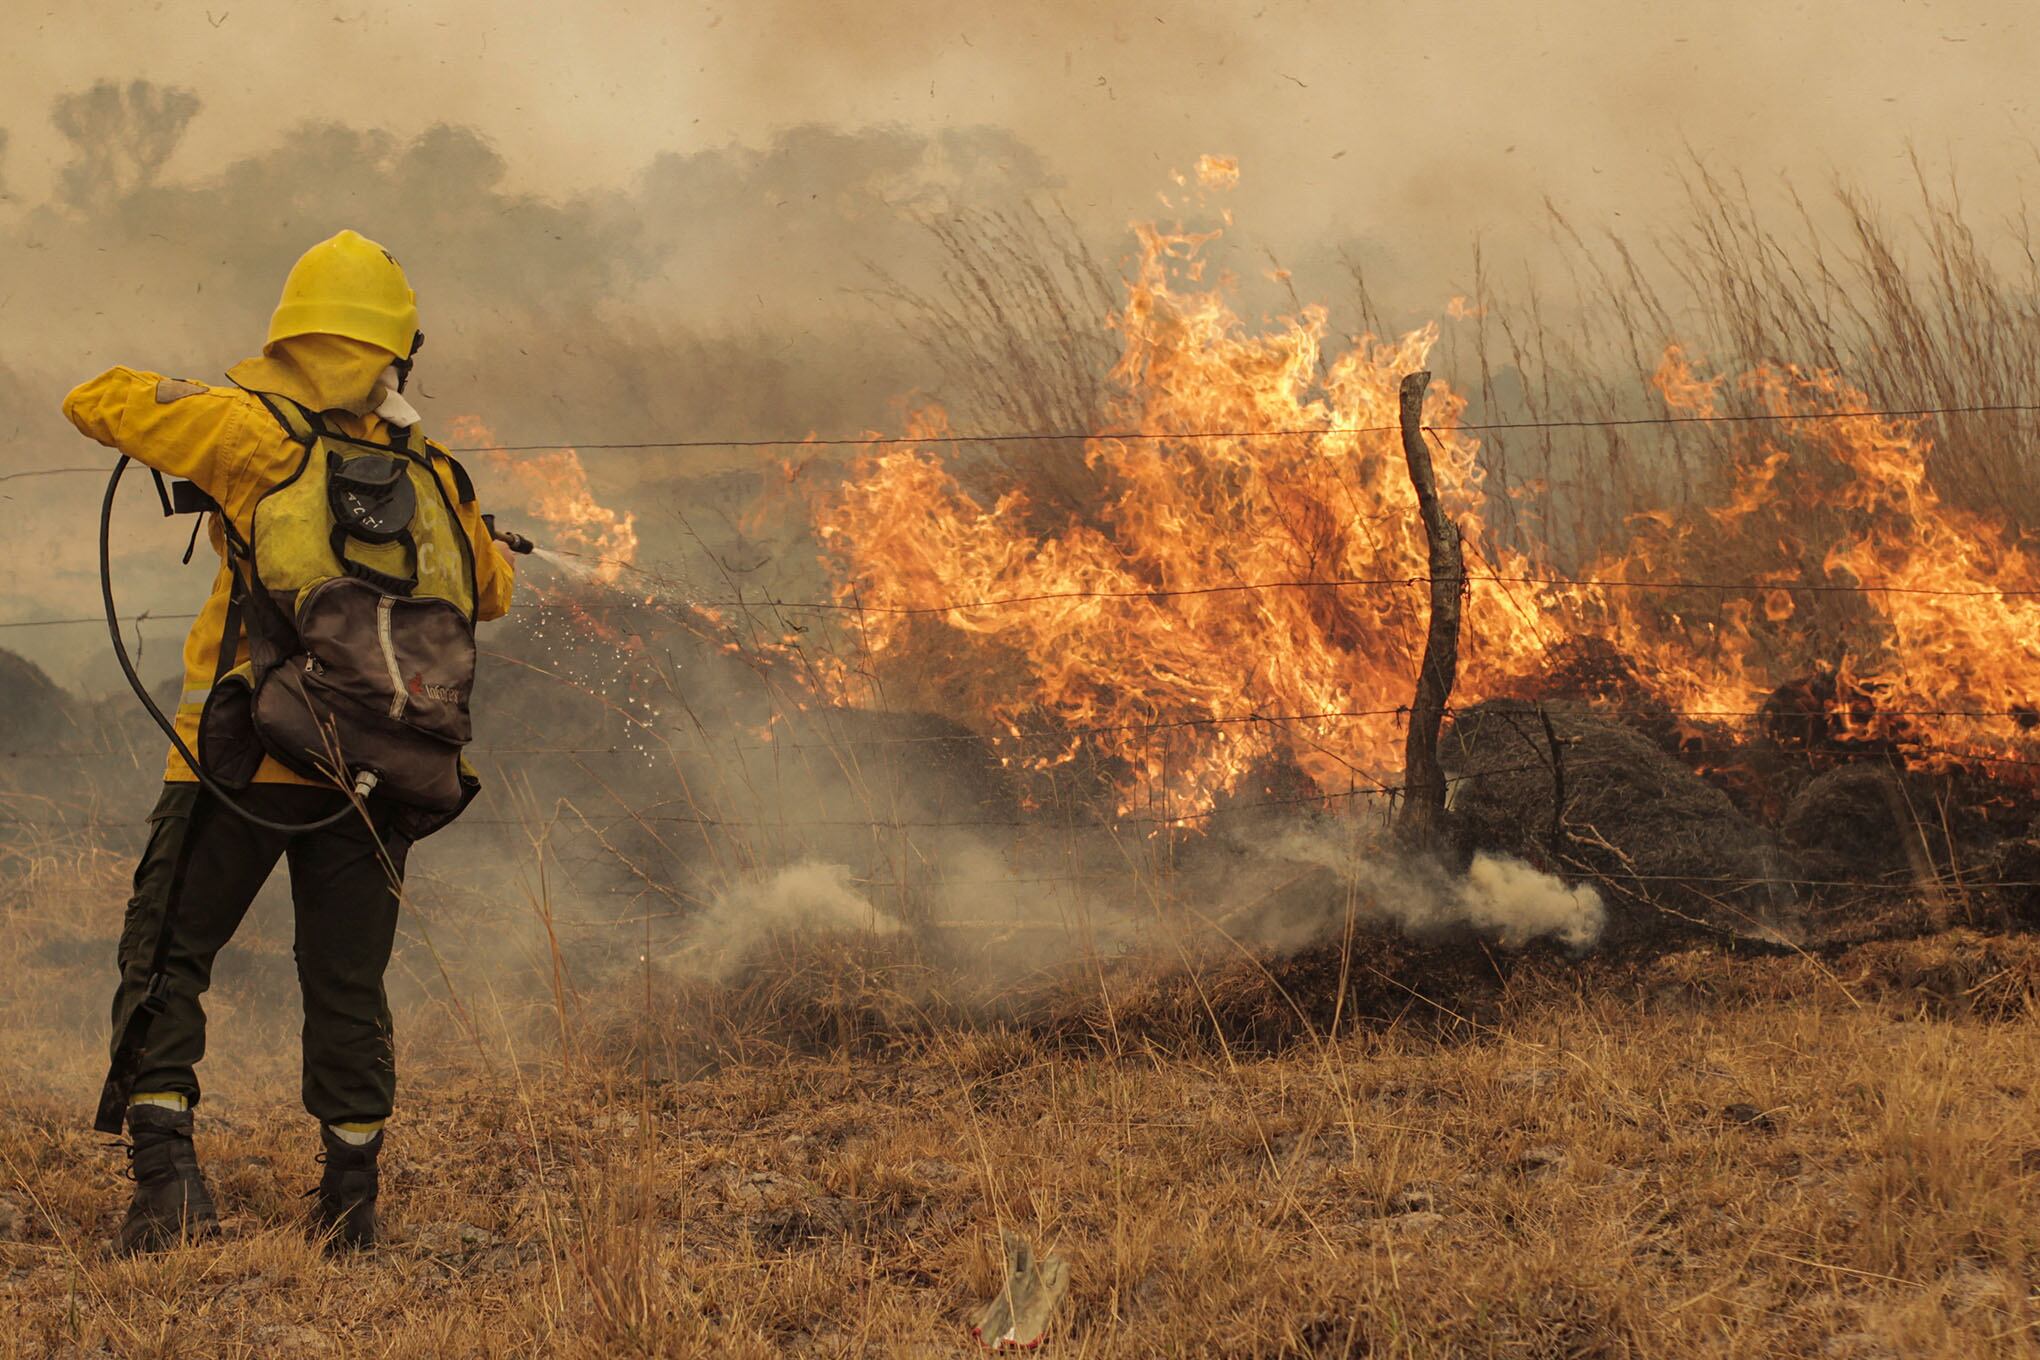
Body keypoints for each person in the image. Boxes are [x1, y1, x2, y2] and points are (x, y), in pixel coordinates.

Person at [62, 230, 516, 1254]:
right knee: (348, 981)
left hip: (240, 752)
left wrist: (183, 405)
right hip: (380, 771)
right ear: (398, 350)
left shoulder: (249, 433)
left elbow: (95, 398)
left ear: (291, 336)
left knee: (169, 952)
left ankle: (168, 1186)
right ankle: (350, 1204)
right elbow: (491, 588)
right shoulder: (434, 469)